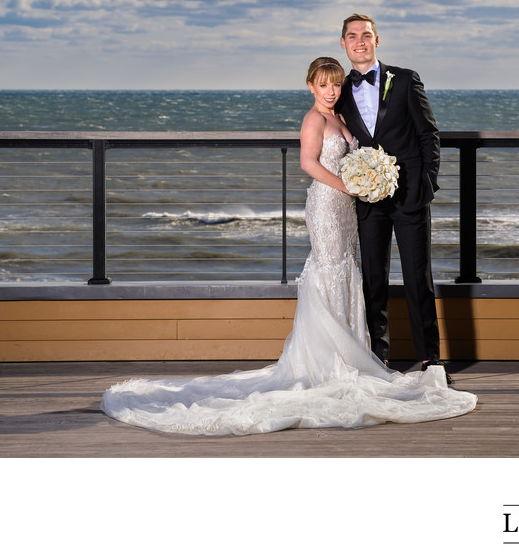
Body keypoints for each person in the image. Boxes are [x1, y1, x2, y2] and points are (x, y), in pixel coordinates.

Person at [100, 57, 476, 436]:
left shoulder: (343, 115)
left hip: (351, 208)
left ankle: (356, 355)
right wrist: (350, 186)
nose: (331, 91)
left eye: (335, 85)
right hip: (330, 206)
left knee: (348, 273)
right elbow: (307, 163)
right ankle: (329, 361)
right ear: (310, 85)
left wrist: (382, 181)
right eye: (323, 85)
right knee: (330, 272)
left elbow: (408, 137)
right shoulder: (314, 119)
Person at [336, 14, 444, 377]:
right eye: (353, 36)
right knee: (373, 281)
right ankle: (378, 358)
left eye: (366, 35)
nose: (360, 42)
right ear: (343, 44)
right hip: (368, 201)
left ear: (377, 40)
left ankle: (430, 358)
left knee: (418, 278)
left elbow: (429, 134)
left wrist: (427, 182)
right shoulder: (339, 92)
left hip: (411, 195)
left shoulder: (406, 79)